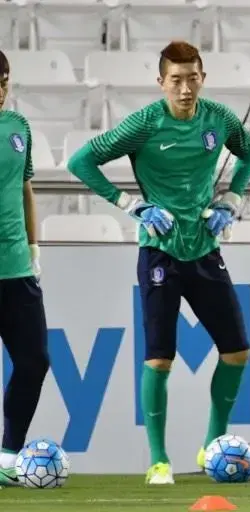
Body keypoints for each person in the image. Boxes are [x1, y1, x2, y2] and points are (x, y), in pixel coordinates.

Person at [67, 40, 250, 485]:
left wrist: (231, 199)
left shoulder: (220, 120)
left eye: (193, 78)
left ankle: (213, 445)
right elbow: (81, 160)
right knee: (159, 359)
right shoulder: (144, 124)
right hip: (160, 252)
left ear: (203, 78)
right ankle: (159, 461)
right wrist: (131, 204)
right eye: (176, 80)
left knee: (237, 352)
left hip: (206, 248)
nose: (186, 88)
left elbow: (249, 154)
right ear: (161, 83)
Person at [0, 50, 49, 486]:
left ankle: (8, 454)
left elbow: (26, 188)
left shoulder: (19, 127)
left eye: (2, 83)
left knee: (34, 361)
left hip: (17, 270)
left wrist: (34, 248)